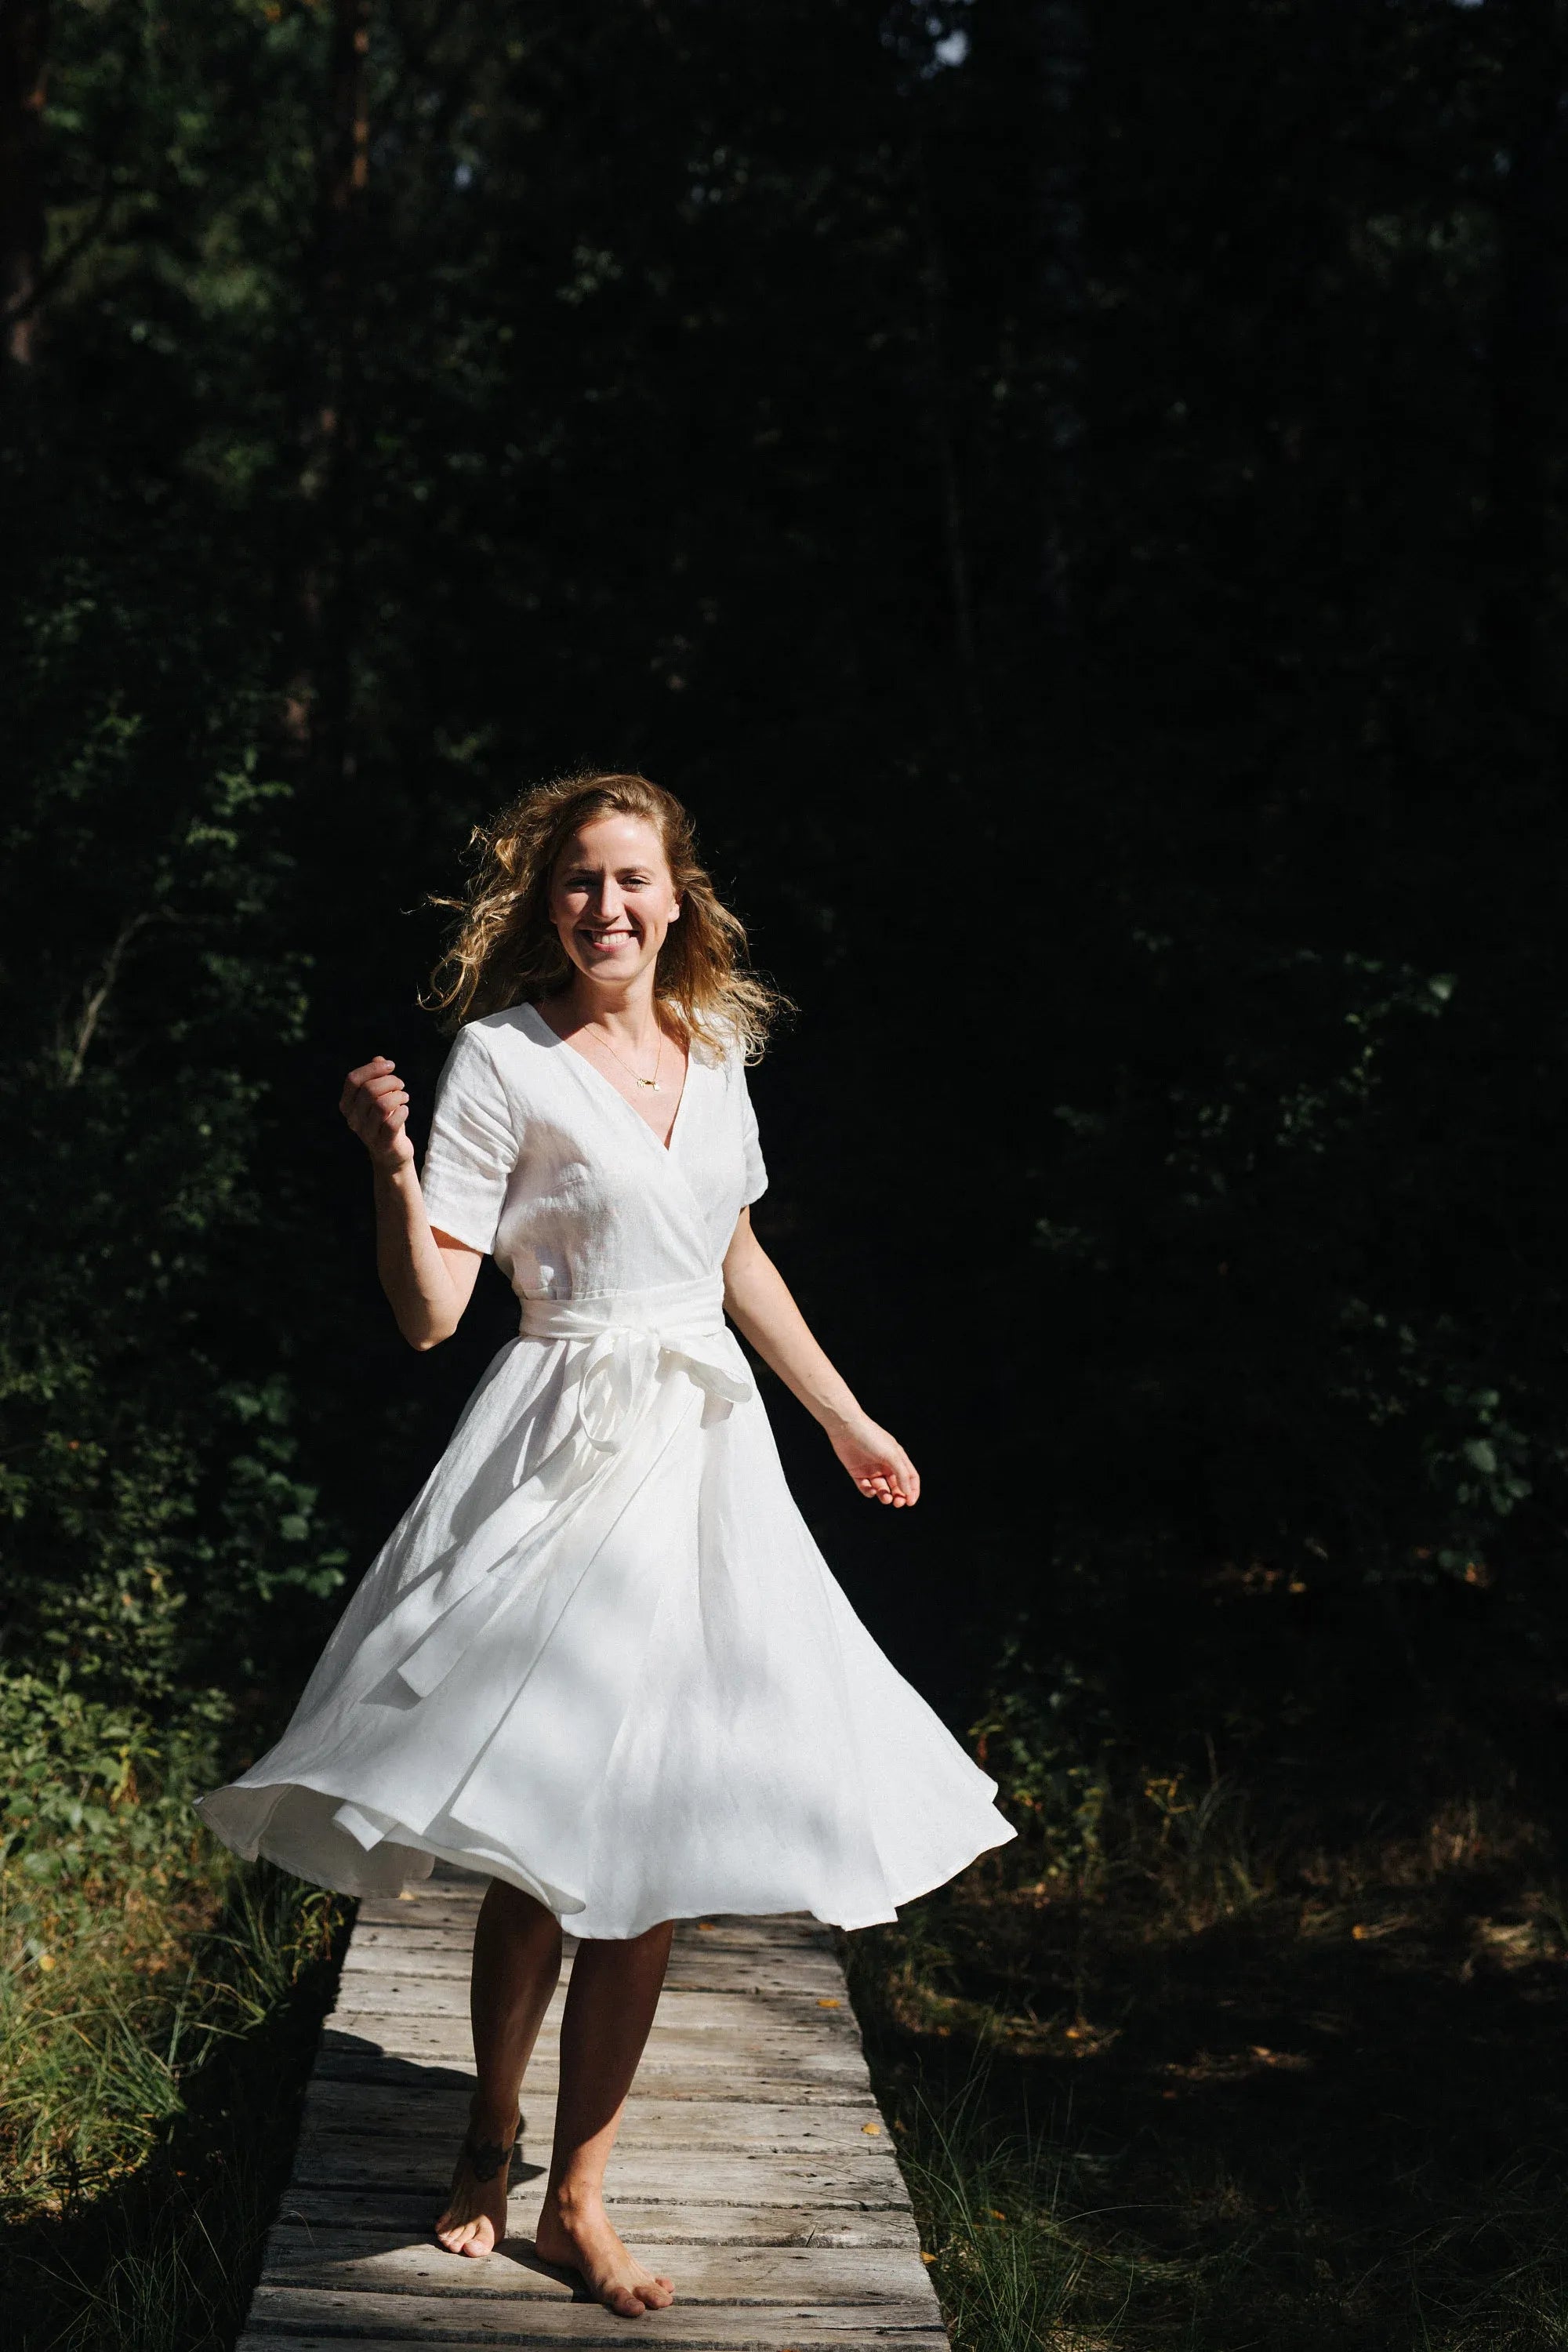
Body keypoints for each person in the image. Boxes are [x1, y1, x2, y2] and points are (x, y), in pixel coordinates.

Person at [198, 771, 1014, 2316]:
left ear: (678, 895)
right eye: (578, 882)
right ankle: (488, 2129)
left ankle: (576, 2193)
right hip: (563, 1447)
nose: (607, 908)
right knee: (556, 1834)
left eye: (632, 880)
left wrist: (845, 1419)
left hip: (708, 1461)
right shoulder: (501, 1062)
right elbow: (434, 1312)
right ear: (544, 902)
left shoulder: (716, 1049)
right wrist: (387, 1165)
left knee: (654, 1854)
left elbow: (732, 1254)